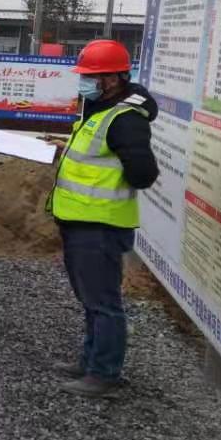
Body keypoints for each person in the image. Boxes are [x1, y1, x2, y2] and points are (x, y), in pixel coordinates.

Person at [50, 39, 158, 398]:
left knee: (103, 304)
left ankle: (104, 375)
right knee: (91, 299)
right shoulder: (101, 109)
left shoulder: (125, 119)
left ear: (112, 79)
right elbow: (99, 159)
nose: (84, 82)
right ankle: (91, 362)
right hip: (81, 222)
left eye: (89, 76)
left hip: (100, 227)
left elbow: (143, 173)